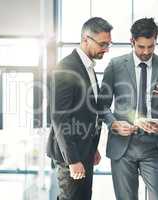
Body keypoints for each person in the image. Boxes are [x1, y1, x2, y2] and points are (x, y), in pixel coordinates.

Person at [99, 17, 158, 200]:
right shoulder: (115, 66)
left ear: (155, 41)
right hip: (122, 146)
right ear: (132, 41)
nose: (146, 52)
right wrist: (114, 124)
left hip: (155, 147)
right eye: (141, 47)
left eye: (151, 47)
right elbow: (101, 105)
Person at [46, 17, 113, 200]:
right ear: (85, 39)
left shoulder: (88, 67)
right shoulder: (66, 68)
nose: (106, 49)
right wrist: (73, 160)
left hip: (84, 151)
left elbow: (88, 112)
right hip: (71, 155)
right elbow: (60, 118)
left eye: (108, 44)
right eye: (102, 44)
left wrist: (93, 147)